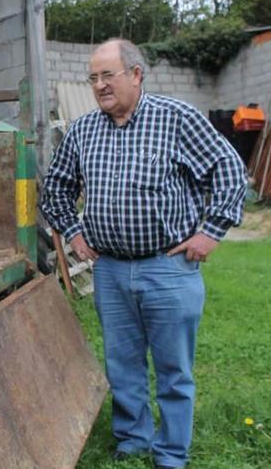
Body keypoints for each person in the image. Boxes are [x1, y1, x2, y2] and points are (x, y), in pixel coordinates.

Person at [40, 38, 247, 468]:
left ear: (136, 75)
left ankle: (171, 453)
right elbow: (56, 188)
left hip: (169, 270)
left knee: (174, 371)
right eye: (93, 78)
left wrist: (210, 232)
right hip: (112, 272)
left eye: (107, 75)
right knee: (122, 365)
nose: (99, 86)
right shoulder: (83, 130)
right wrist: (75, 232)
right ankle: (133, 441)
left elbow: (230, 170)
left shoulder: (176, 119)